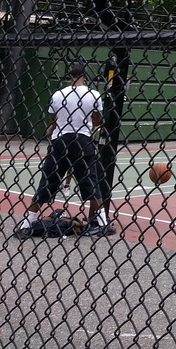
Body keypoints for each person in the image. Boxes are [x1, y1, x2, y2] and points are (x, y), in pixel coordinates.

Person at [14, 63, 113, 238]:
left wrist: (55, 125)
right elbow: (97, 119)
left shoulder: (58, 94)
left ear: (68, 76)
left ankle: (27, 223)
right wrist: (92, 125)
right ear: (85, 76)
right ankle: (104, 222)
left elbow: (54, 117)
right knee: (90, 180)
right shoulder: (94, 94)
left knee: (48, 180)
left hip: (61, 138)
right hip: (83, 138)